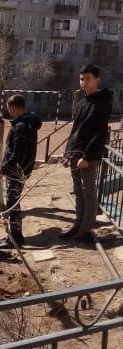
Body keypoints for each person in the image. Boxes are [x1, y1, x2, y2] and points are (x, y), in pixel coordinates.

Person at [61, 64, 112, 244]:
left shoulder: (102, 101)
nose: (83, 82)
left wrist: (87, 156)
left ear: (97, 79)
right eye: (81, 79)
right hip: (75, 153)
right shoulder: (83, 101)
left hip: (87, 156)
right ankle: (78, 224)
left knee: (88, 192)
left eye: (88, 79)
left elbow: (100, 132)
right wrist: (68, 153)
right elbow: (76, 129)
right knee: (78, 191)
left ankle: (86, 228)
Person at [0, 95, 42, 249]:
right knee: (13, 203)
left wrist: (2, 170)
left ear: (14, 108)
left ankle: (15, 238)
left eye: (9, 109)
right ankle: (16, 235)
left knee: (12, 204)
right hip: (21, 170)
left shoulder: (21, 126)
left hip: (16, 172)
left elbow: (16, 153)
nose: (9, 112)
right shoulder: (28, 123)